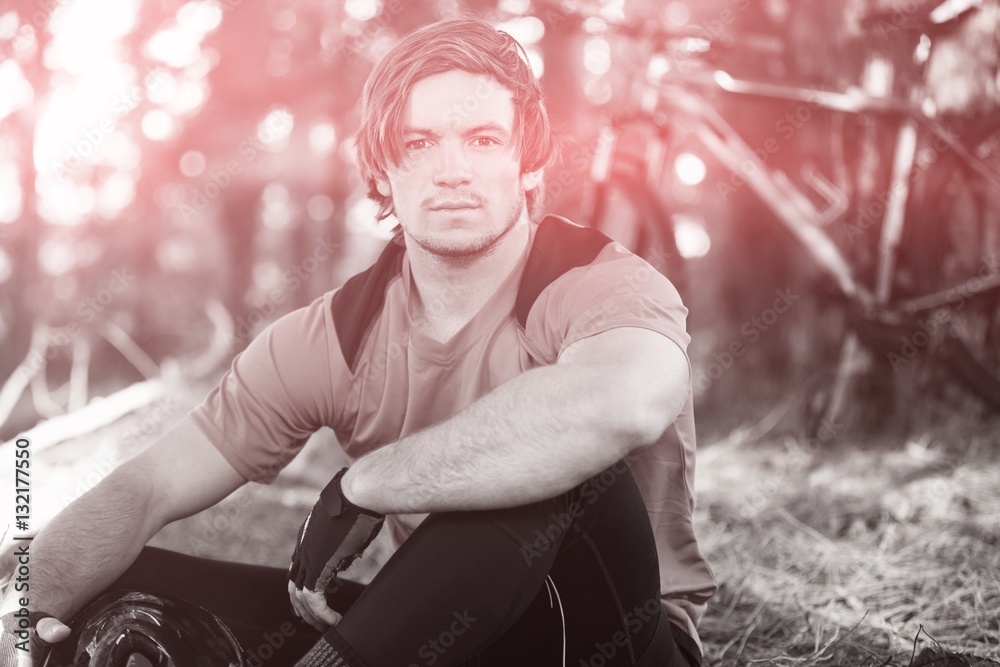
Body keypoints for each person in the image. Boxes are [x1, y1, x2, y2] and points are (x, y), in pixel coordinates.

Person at [0, 16, 716, 667]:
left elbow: (617, 402)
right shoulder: (335, 337)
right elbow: (146, 484)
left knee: (553, 454)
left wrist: (365, 482)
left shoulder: (602, 283)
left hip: (605, 639)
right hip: (439, 639)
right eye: (420, 142)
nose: (454, 168)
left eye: (484, 139)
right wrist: (24, 607)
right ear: (382, 168)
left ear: (528, 162)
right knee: (99, 585)